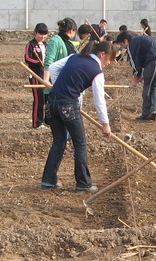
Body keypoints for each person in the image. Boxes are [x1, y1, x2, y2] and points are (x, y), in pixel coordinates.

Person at [41, 40, 117, 191]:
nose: (108, 63)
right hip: (68, 106)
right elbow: (99, 100)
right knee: (80, 144)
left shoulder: (74, 57)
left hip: (51, 103)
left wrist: (60, 86)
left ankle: (48, 180)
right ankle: (83, 184)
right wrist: (105, 124)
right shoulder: (97, 72)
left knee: (59, 141)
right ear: (103, 55)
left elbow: (54, 67)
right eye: (109, 60)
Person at [115, 30, 156, 121]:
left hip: (152, 60)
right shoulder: (145, 38)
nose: (124, 47)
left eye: (122, 45)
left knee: (148, 86)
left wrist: (135, 80)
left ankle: (146, 114)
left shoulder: (132, 45)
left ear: (126, 41)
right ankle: (155, 109)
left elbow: (135, 64)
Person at [24, 22, 49, 129]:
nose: (42, 36)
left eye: (44, 34)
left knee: (47, 99)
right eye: (40, 34)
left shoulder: (47, 45)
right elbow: (27, 58)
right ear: (35, 33)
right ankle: (37, 123)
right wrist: (38, 62)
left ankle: (47, 121)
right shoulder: (31, 45)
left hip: (46, 75)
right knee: (39, 99)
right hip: (35, 75)